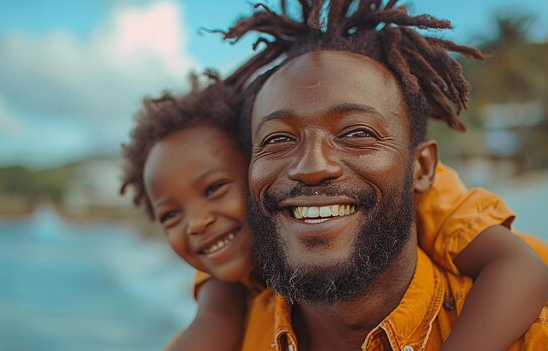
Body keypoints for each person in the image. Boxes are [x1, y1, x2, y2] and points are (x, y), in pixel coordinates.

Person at [121, 77, 548, 351]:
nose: (197, 222)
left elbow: (519, 268)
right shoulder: (228, 285)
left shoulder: (430, 198)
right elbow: (211, 325)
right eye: (170, 216)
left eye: (215, 189)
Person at [213, 0, 548, 350]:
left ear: (422, 168)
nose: (311, 166)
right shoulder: (230, 332)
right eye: (278, 138)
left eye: (357, 133)